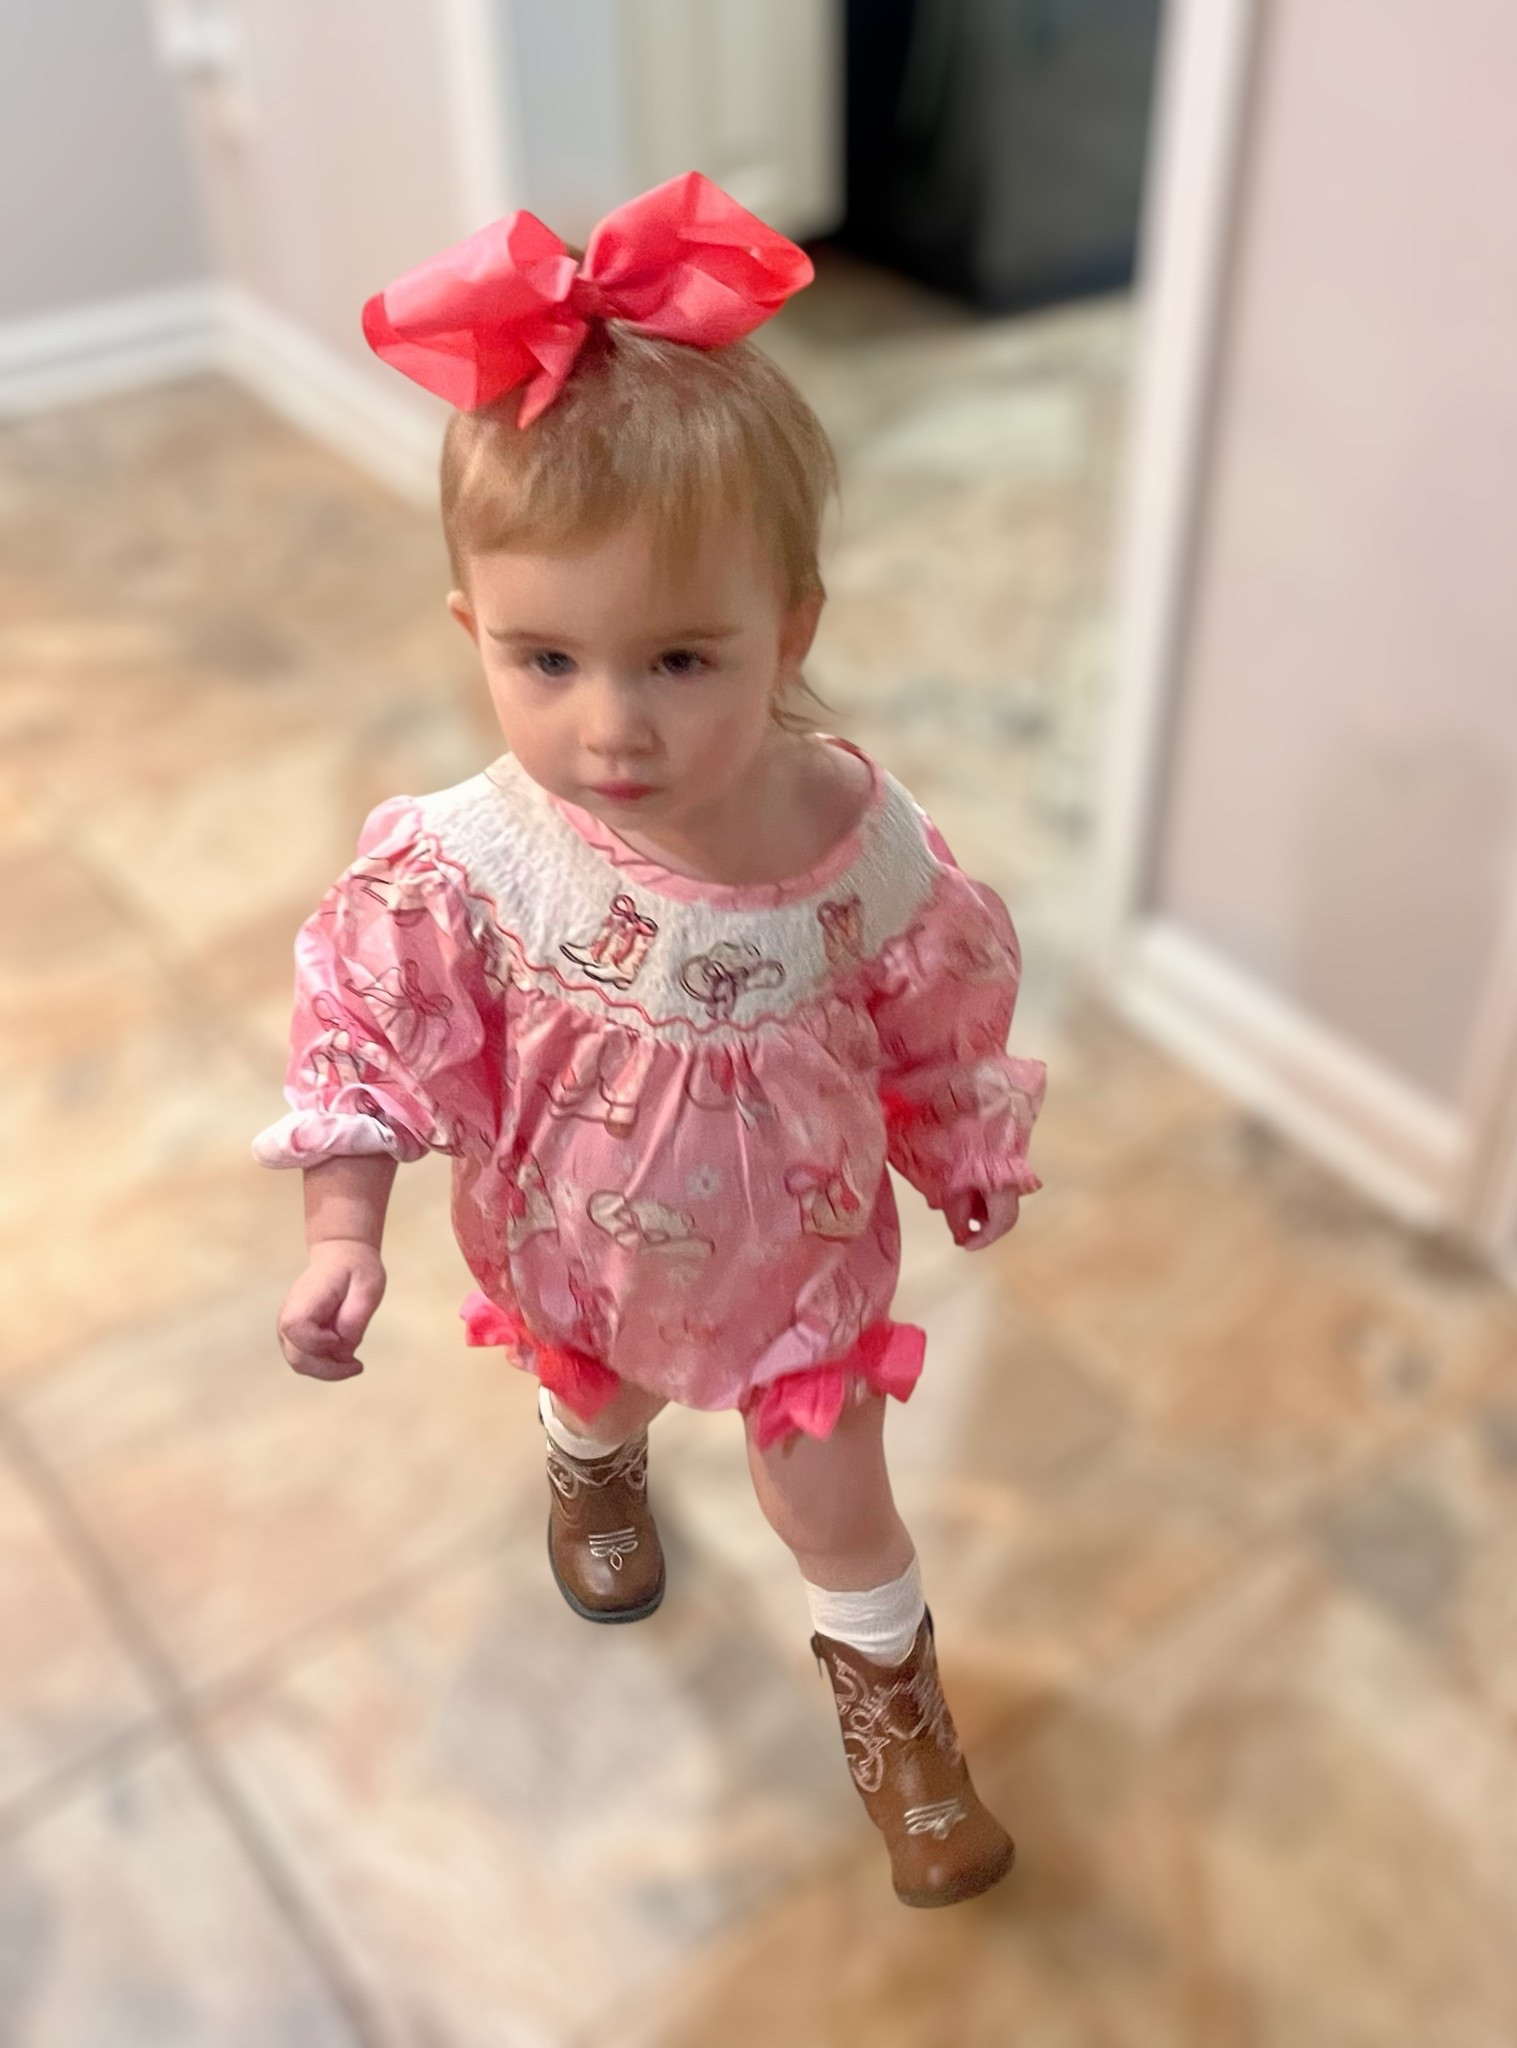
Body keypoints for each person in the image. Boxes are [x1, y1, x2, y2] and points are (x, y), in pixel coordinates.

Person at [254, 172, 1046, 1910]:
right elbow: (371, 1025)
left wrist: (965, 1139)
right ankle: (590, 1476)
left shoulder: (856, 836)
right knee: (592, 1381)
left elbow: (934, 994)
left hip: (807, 1258)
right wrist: (340, 1226)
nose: (609, 727)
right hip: (577, 1238)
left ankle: (902, 1727)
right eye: (546, 661)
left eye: (683, 660)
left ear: (792, 634)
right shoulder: (482, 856)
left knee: (839, 1502)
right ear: (477, 636)